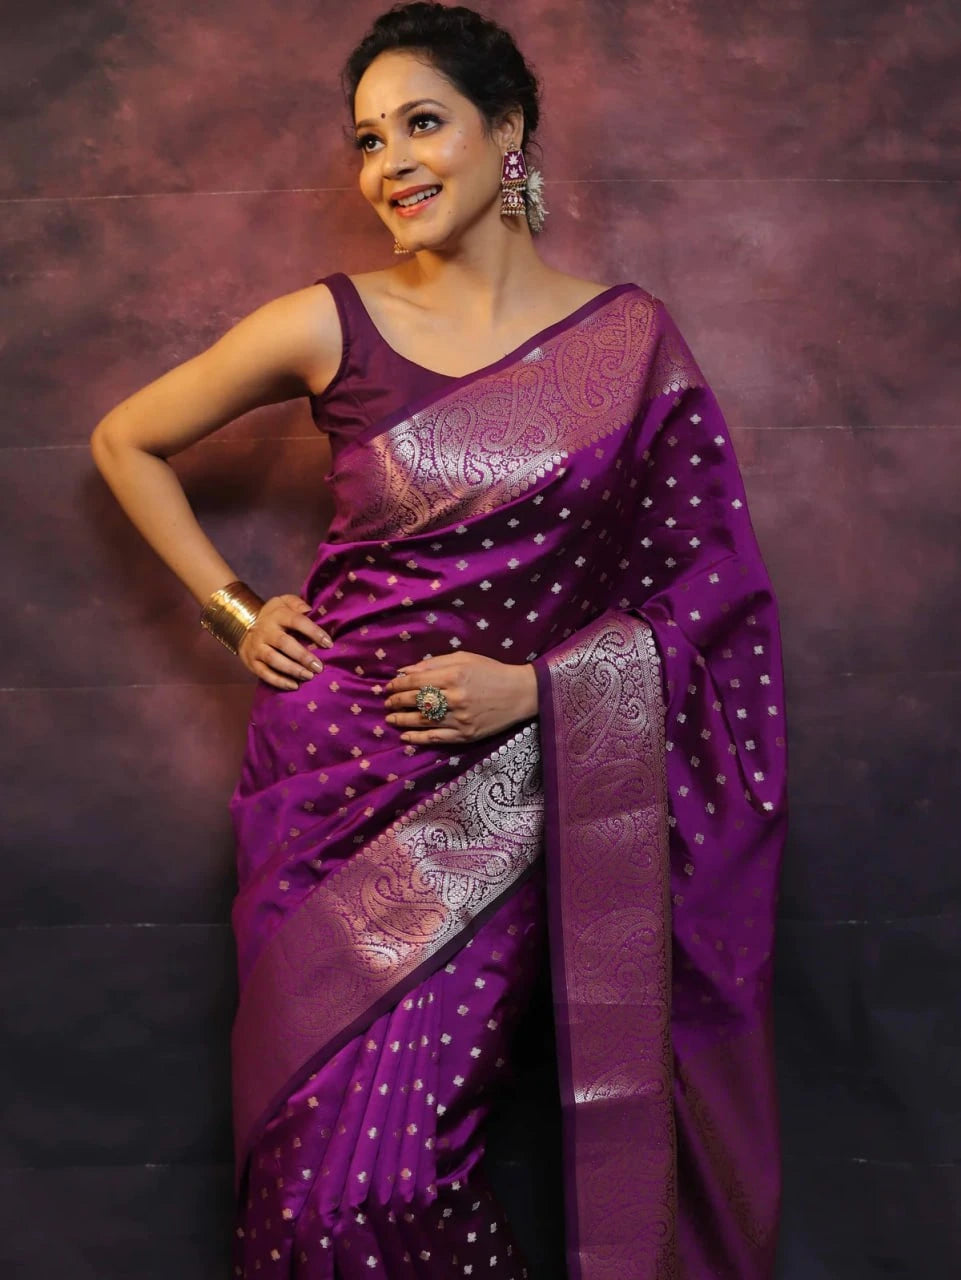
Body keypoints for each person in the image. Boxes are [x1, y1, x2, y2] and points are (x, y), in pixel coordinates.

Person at [90, 3, 787, 1276]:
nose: (390, 164)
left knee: (402, 1171)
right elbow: (124, 439)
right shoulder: (328, 322)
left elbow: (709, 594)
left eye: (422, 124)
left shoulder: (626, 344)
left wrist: (537, 691)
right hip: (324, 784)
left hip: (507, 800)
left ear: (506, 129)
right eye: (368, 140)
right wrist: (236, 610)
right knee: (307, 1187)